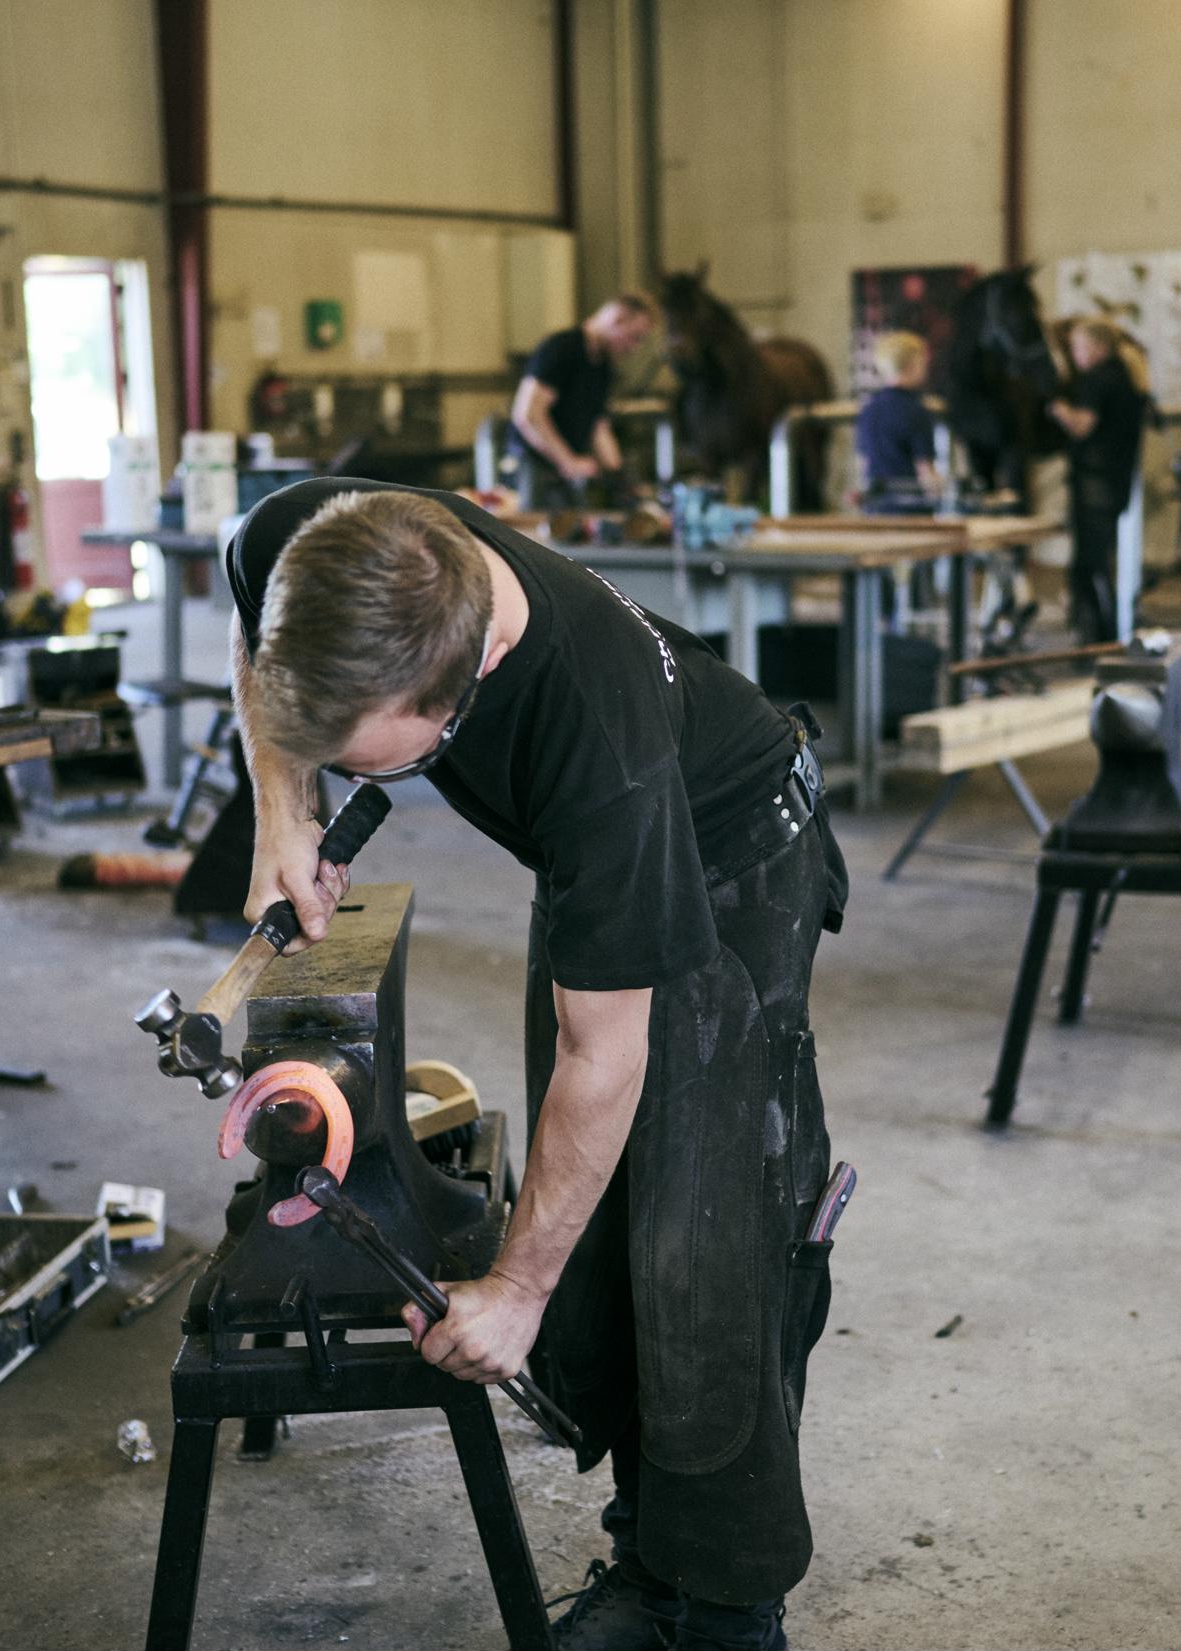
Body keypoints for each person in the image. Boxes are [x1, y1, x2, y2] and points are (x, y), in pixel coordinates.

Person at [225, 477, 849, 1651]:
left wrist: (513, 1294)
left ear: (458, 691)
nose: (345, 770)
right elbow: (252, 615)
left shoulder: (593, 738)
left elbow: (599, 1053)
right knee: (593, 1222)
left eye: (366, 759)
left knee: (696, 1243)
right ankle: (649, 1555)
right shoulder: (312, 534)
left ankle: (725, 1603)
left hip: (731, 849)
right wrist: (282, 811)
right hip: (591, 850)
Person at [1047, 316, 1151, 644]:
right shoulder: (1126, 376)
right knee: (1100, 559)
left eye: (1078, 347)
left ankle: (1100, 636)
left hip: (1095, 481)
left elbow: (1082, 426)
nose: (1075, 354)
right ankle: (1106, 631)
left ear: (1097, 348)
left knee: (1089, 564)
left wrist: (1057, 407)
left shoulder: (1098, 380)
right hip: (1115, 479)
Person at [510, 295, 660, 509]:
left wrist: (621, 479)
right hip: (532, 472)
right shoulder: (562, 347)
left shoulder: (602, 365)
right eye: (634, 337)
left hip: (565, 476)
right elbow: (529, 414)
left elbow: (598, 426)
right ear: (618, 319)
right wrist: (568, 461)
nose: (633, 348)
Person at [853, 331, 940, 513]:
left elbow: (863, 464)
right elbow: (925, 471)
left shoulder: (869, 410)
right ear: (911, 366)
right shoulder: (917, 412)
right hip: (911, 513)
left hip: (876, 510)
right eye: (923, 363)